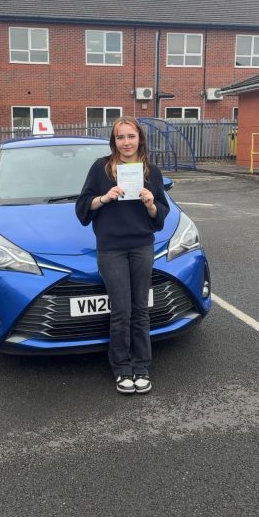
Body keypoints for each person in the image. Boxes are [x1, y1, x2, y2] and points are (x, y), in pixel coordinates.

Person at [75, 117, 169, 394]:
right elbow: (82, 207)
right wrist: (104, 197)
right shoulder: (101, 169)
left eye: (131, 136)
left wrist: (151, 204)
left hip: (141, 246)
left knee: (140, 310)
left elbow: (160, 216)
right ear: (113, 141)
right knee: (121, 311)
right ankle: (121, 369)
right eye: (120, 137)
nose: (126, 142)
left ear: (139, 138)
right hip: (111, 248)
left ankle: (141, 367)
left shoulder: (152, 172)